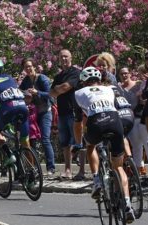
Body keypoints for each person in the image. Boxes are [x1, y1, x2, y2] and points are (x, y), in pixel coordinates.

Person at [74, 66, 135, 223]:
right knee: (118, 167)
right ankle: (128, 205)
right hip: (115, 122)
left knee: (90, 146)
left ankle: (96, 181)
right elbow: (116, 107)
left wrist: (78, 141)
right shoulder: (109, 89)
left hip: (96, 124)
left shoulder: (79, 93)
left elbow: (79, 122)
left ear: (83, 82)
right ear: (99, 80)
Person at [0, 58, 30, 167]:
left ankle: (9, 154)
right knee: (25, 143)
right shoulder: (10, 78)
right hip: (23, 108)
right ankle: (32, 171)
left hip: (8, 109)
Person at [50, 49, 85, 180]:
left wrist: (58, 89)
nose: (63, 59)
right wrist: (60, 88)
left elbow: (65, 87)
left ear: (71, 58)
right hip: (62, 112)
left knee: (79, 142)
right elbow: (52, 93)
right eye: (61, 57)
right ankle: (68, 170)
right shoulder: (58, 76)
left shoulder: (76, 72)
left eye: (66, 56)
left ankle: (81, 171)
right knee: (65, 143)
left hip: (74, 112)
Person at [20, 58, 55, 175]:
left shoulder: (42, 78)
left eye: (30, 66)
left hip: (45, 112)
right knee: (32, 141)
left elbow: (50, 95)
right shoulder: (25, 81)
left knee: (45, 139)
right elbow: (21, 93)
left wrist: (37, 92)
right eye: (26, 67)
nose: (28, 69)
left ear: (34, 67)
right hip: (32, 114)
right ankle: (34, 168)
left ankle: (51, 168)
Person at [119, 67, 148, 175]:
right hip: (127, 118)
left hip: (140, 116)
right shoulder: (119, 87)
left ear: (130, 74)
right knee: (136, 144)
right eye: (122, 74)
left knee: (146, 142)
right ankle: (138, 168)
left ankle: (141, 167)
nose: (124, 75)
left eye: (126, 73)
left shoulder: (138, 84)